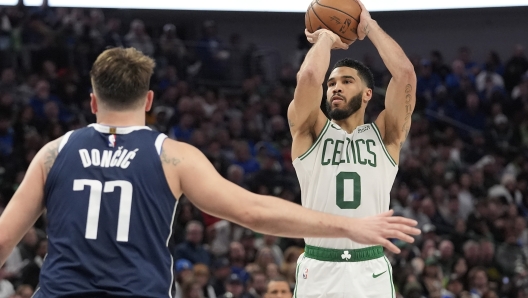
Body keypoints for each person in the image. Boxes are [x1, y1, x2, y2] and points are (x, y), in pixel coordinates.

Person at [0, 47, 419, 297]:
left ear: (92, 102)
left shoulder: (53, 153)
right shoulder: (173, 156)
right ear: (149, 100)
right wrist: (349, 227)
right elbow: (254, 212)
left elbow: (3, 240)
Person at [288, 0, 417, 297]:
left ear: (368, 93)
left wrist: (367, 26)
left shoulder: (386, 135)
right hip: (319, 265)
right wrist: (325, 38)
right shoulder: (310, 130)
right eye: (331, 82)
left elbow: (406, 75)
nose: (335, 87)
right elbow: (308, 78)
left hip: (369, 266)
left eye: (346, 81)